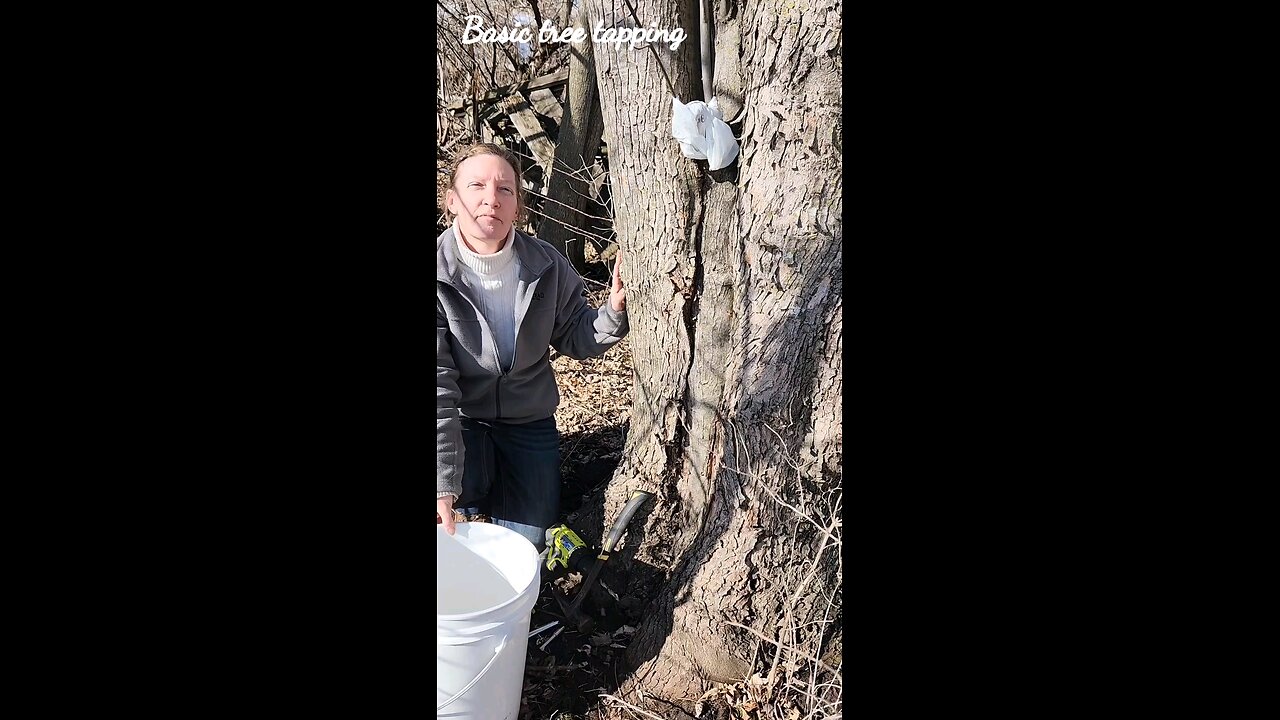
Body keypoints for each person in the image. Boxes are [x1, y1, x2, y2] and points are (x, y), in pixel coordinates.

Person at [437, 143, 628, 551]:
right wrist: (442, 481)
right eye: (476, 186)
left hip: (529, 421)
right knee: (452, 527)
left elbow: (576, 332)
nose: (492, 198)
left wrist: (612, 311)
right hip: (461, 419)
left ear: (518, 205)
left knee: (528, 545)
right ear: (452, 200)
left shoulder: (545, 263)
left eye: (506, 189)